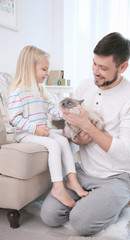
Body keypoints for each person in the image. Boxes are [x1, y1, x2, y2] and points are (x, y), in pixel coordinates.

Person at [40, 32, 130, 236]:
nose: (95, 72)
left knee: (81, 223)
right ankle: (96, 200)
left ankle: (122, 198)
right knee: (50, 216)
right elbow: (70, 128)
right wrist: (76, 137)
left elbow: (125, 153)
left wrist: (88, 127)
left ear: (122, 67)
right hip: (85, 170)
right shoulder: (84, 86)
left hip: (118, 176)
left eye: (103, 68)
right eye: (94, 64)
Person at [8, 45, 88, 208]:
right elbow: (13, 118)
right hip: (24, 134)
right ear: (29, 68)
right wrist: (34, 129)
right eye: (44, 69)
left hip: (40, 132)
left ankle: (72, 180)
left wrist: (65, 113)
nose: (47, 73)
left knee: (63, 141)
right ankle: (58, 187)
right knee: (53, 144)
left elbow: (53, 109)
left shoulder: (41, 90)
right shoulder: (18, 91)